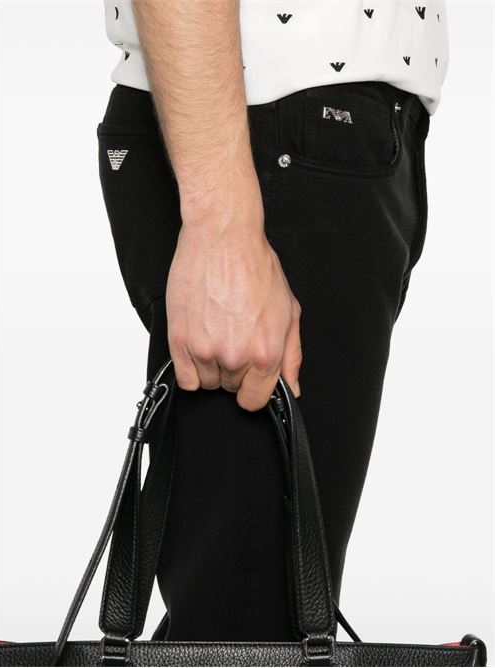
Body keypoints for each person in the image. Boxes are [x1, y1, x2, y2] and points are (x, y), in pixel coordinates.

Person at [97, 0, 448, 642]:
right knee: (252, 630)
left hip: (303, 132)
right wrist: (223, 226)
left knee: (254, 612)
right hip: (268, 133)